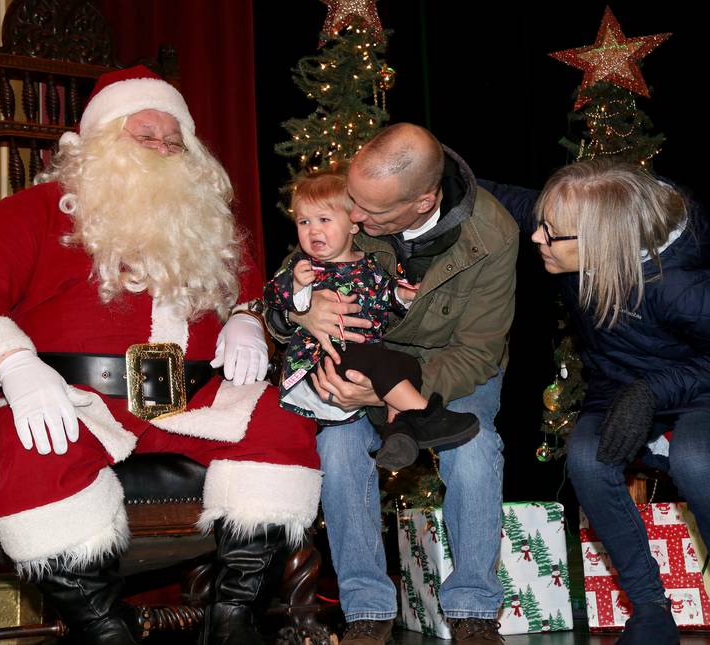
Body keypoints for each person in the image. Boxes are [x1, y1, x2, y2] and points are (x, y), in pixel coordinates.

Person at [0, 66, 322, 645]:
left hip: (194, 402)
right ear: (102, 144)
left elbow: (253, 290)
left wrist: (246, 320)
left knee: (284, 421)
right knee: (40, 450)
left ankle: (233, 614)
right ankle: (104, 629)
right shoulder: (35, 211)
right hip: (76, 400)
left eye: (173, 140)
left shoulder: (206, 225)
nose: (162, 150)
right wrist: (16, 364)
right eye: (145, 137)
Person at [266, 123, 519, 644]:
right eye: (351, 202)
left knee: (473, 447)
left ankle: (473, 608)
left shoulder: (492, 236)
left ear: (424, 201)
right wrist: (303, 315)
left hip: (447, 365)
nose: (354, 217)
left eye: (370, 213)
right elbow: (292, 279)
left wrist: (389, 389)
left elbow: (476, 352)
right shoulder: (361, 196)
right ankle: (366, 609)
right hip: (360, 358)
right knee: (339, 445)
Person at [526, 160, 710, 645]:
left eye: (552, 233)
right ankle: (650, 611)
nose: (537, 238)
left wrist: (653, 392)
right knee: (588, 461)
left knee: (697, 461)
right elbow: (503, 199)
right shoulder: (569, 237)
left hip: (696, 391)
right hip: (618, 388)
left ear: (602, 243)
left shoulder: (682, 288)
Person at [263, 168, 480, 470]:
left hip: (360, 359)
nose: (313, 231)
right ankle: (426, 416)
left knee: (405, 365)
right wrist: (298, 290)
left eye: (324, 220)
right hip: (320, 363)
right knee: (377, 361)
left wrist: (400, 297)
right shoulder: (304, 267)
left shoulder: (370, 265)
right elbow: (272, 294)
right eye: (304, 222)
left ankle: (398, 431)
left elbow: (383, 294)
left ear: (353, 225)